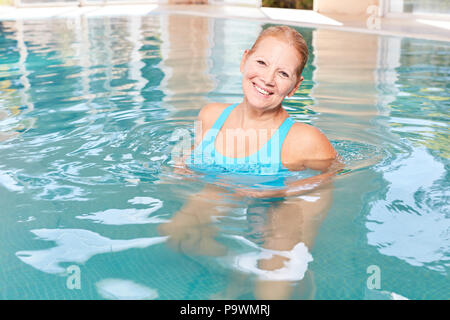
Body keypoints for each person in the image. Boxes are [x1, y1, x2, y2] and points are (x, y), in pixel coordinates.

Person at [159, 25, 342, 299]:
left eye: (282, 73)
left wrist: (283, 191)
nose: (267, 79)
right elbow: (194, 157)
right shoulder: (211, 117)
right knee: (174, 234)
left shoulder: (303, 140)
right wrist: (184, 165)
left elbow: (334, 174)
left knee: (273, 287)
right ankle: (238, 266)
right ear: (245, 60)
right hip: (224, 187)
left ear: (295, 86)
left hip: (284, 204)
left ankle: (294, 275)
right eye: (261, 62)